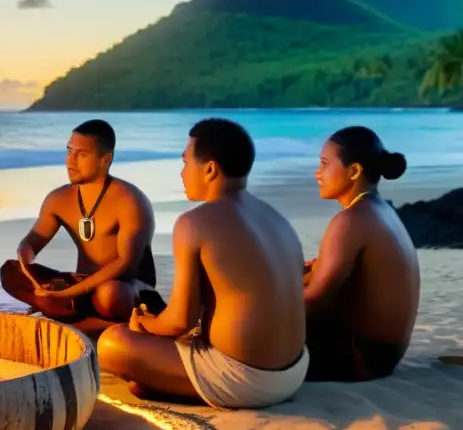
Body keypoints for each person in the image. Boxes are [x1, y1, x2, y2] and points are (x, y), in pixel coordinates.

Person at [98, 118, 308, 409]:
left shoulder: (193, 223)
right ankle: (163, 381)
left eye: (186, 162)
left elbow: (179, 321)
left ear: (209, 169)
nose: (182, 173)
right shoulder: (275, 218)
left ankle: (163, 382)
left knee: (111, 343)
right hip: (295, 370)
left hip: (246, 379)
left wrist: (144, 324)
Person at [0, 119, 163, 335]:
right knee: (10, 272)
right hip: (82, 287)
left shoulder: (130, 200)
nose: (71, 161)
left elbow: (126, 264)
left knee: (110, 293)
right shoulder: (59, 199)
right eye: (69, 152)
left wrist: (68, 294)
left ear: (105, 159)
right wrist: (26, 256)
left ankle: (72, 319)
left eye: (82, 154)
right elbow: (33, 241)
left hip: (126, 286)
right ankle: (93, 324)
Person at [303, 127, 419, 382]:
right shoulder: (382, 210)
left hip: (359, 359)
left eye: (324, 164)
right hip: (383, 356)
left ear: (354, 171)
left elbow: (312, 303)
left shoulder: (350, 220)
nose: (317, 172)